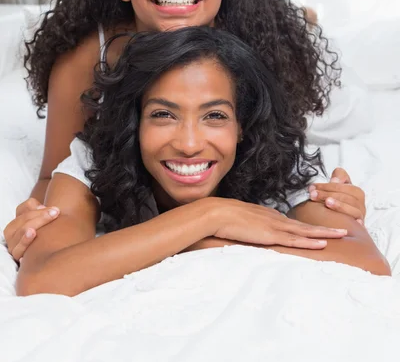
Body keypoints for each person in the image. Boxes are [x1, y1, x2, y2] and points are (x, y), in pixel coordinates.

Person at [16, 27, 388, 297]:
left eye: (215, 116)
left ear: (243, 126)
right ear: (135, 121)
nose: (190, 144)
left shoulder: (278, 158)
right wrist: (211, 215)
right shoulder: (93, 157)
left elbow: (364, 260)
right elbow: (42, 279)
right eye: (163, 115)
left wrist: (198, 240)